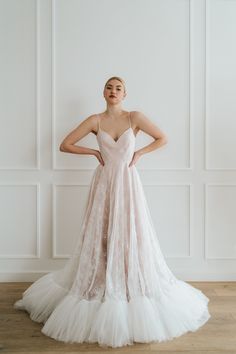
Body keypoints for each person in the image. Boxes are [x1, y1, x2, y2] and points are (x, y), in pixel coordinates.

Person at [14, 76, 211, 348]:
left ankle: (129, 281)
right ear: (103, 92)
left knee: (132, 231)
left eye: (118, 88)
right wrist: (93, 154)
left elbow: (162, 138)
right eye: (109, 87)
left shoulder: (134, 117)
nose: (113, 91)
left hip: (128, 183)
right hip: (105, 183)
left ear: (125, 93)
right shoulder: (95, 121)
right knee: (102, 233)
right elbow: (65, 144)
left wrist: (140, 154)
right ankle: (101, 278)